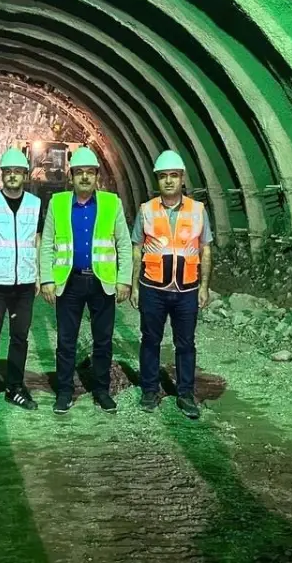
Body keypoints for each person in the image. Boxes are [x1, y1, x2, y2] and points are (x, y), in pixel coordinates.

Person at [38, 146, 133, 415]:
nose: (84, 177)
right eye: (79, 172)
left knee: (103, 340)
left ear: (96, 176)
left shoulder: (111, 203)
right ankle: (65, 391)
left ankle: (101, 390)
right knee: (66, 341)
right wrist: (46, 279)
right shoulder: (57, 203)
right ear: (71, 176)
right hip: (68, 282)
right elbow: (47, 245)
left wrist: (124, 280)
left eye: (89, 172)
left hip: (102, 282)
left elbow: (124, 244)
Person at [130, 150, 212, 420]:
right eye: (163, 177)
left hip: (187, 289)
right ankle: (150, 390)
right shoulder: (147, 210)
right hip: (153, 288)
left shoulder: (198, 210)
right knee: (150, 340)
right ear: (157, 180)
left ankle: (185, 394)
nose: (168, 181)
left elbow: (206, 250)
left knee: (186, 344)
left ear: (182, 179)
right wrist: (134, 285)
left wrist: (204, 287)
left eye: (173, 176)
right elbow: (136, 249)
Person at [0, 149, 44, 414]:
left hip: (23, 284)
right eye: (8, 171)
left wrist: (38, 274)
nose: (12, 175)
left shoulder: (35, 204)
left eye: (17, 171)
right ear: (2, 174)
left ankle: (14, 388)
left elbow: (37, 241)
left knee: (19, 338)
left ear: (25, 174)